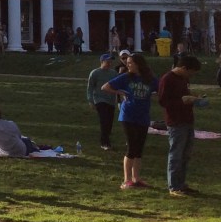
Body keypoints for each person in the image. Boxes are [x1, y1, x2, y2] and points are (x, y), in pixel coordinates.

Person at [102, 52, 159, 189]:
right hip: (128, 116)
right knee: (132, 147)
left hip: (143, 116)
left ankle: (136, 178)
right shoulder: (126, 77)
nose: (127, 65)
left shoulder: (150, 79)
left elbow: (160, 89)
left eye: (130, 63)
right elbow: (105, 87)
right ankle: (126, 180)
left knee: (139, 148)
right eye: (126, 63)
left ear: (138, 64)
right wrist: (120, 93)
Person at [158, 54, 204, 196]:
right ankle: (174, 186)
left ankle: (181, 183)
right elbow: (163, 101)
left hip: (187, 119)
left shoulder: (183, 79)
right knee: (176, 154)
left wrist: (194, 99)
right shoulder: (167, 79)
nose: (191, 76)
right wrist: (182, 101)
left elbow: (184, 96)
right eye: (191, 72)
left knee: (186, 154)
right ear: (184, 68)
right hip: (176, 122)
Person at [86, 53, 117, 150]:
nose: (109, 63)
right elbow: (90, 87)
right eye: (107, 61)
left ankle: (106, 138)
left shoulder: (113, 73)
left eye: (111, 61)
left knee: (109, 122)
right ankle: (104, 143)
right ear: (102, 62)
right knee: (104, 120)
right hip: (99, 100)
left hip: (111, 100)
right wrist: (90, 100)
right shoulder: (95, 73)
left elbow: (117, 85)